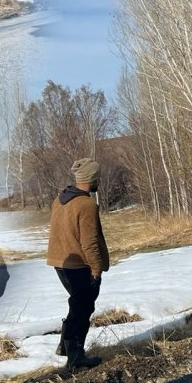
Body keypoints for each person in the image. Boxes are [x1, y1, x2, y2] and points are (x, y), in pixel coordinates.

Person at [47, 158, 109, 369]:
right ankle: (76, 357)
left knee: (78, 304)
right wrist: (96, 270)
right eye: (98, 178)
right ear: (91, 179)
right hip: (78, 264)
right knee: (83, 308)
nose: (99, 181)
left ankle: (66, 348)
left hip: (60, 261)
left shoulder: (60, 199)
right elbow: (89, 242)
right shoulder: (86, 204)